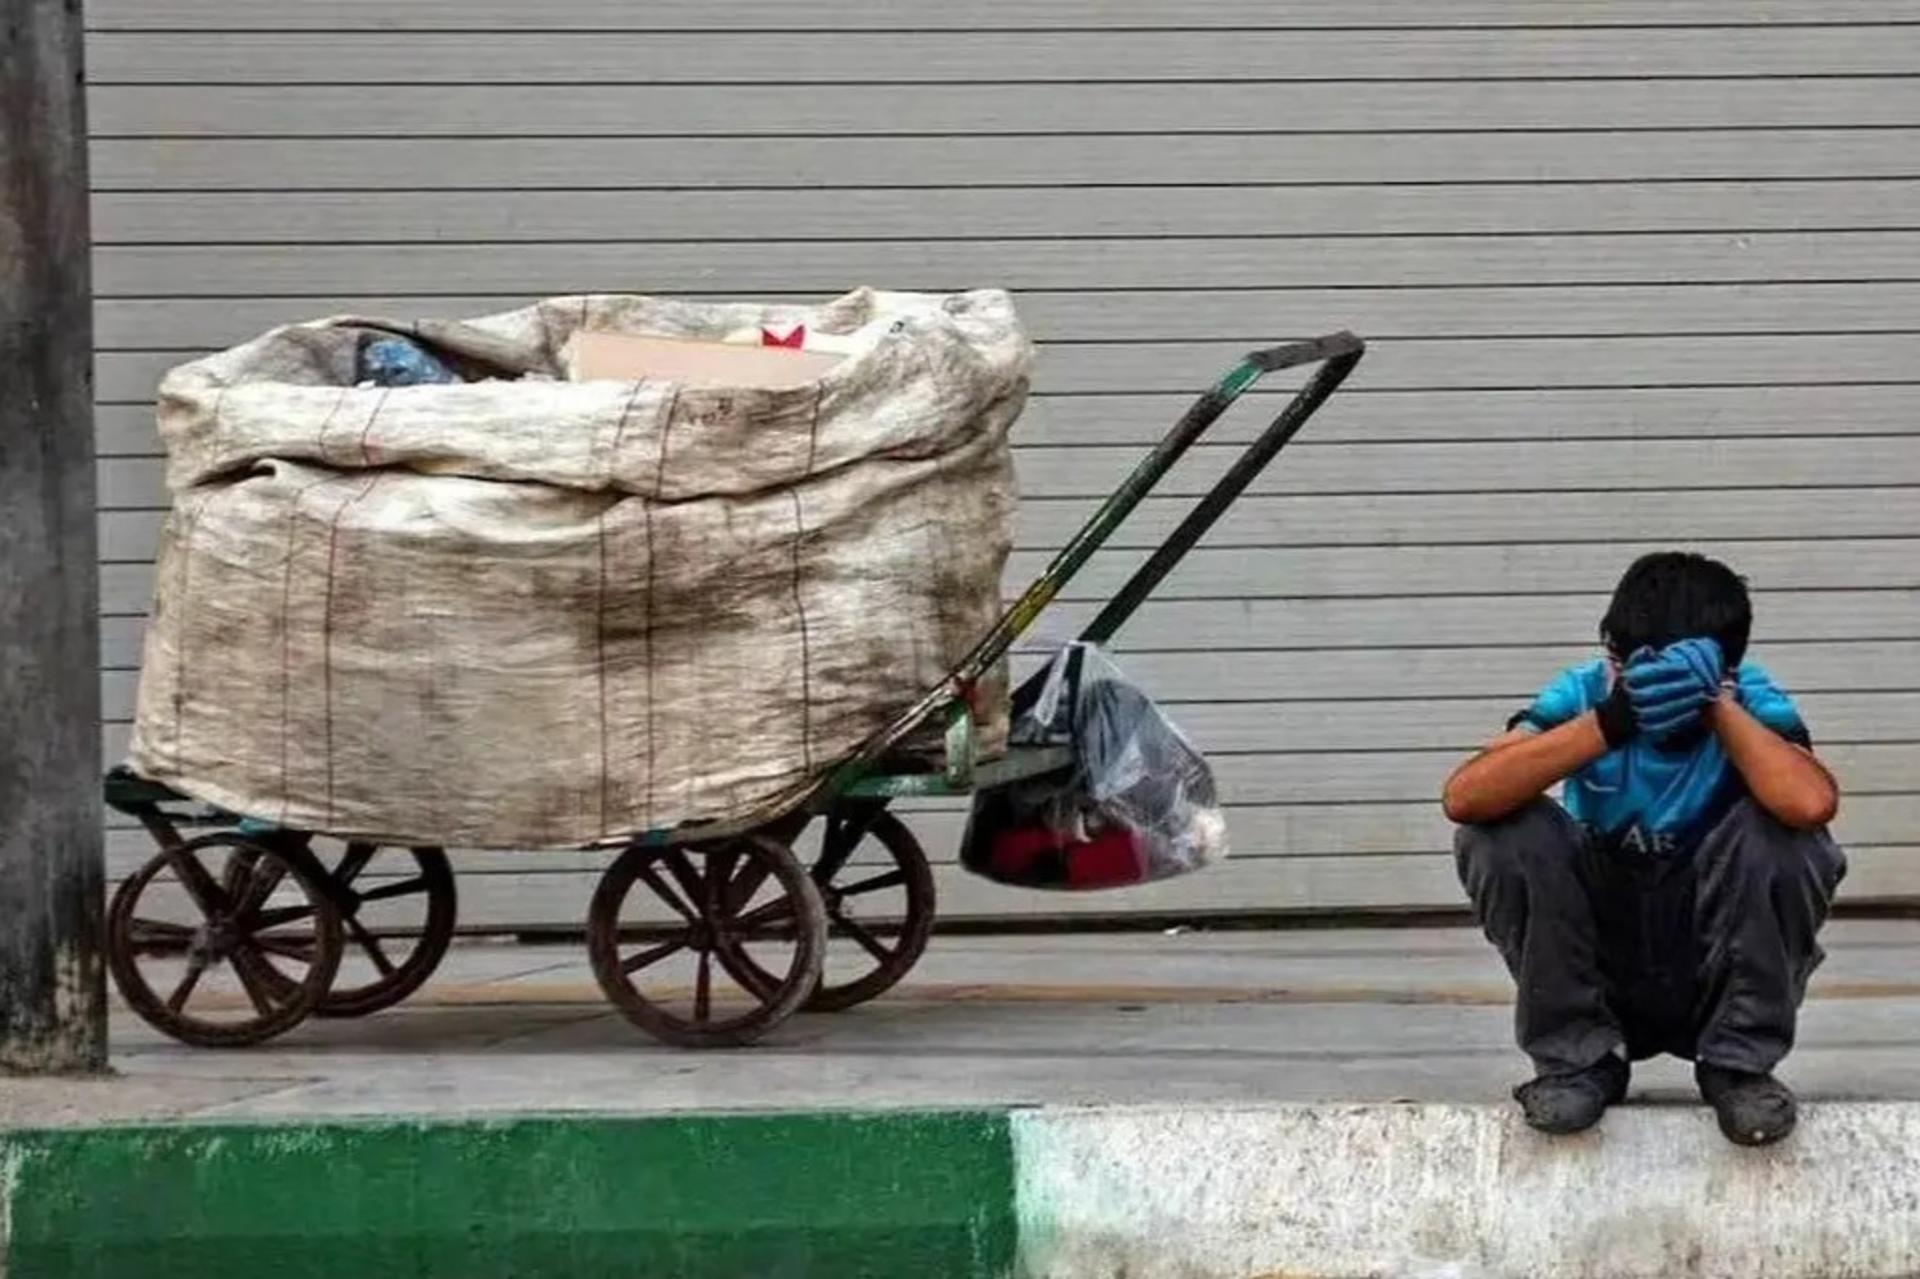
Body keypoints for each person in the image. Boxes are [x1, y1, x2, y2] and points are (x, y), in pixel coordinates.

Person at [1441, 551, 1844, 1145]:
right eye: (1631, 665)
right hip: (1602, 954)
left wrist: (1714, 706)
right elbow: (1466, 796)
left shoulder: (1751, 697)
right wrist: (1612, 720)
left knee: (1786, 839)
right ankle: (1577, 1060)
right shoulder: (1585, 692)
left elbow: (1810, 804)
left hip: (1710, 955)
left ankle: (1738, 1064)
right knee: (1501, 831)